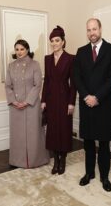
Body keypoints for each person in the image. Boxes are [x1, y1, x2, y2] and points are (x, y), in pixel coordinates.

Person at [73, 18, 111, 192]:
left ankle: (104, 177)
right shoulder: (81, 51)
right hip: (86, 104)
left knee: (104, 143)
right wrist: (86, 96)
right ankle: (89, 173)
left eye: (94, 29)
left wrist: (97, 97)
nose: (91, 33)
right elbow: (77, 76)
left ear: (100, 29)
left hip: (104, 103)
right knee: (88, 142)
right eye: (88, 30)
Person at [5, 39, 49, 168]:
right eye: (17, 49)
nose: (19, 52)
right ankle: (17, 161)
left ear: (27, 50)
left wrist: (27, 101)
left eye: (22, 49)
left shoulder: (35, 64)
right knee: (17, 134)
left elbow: (38, 85)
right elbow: (8, 86)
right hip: (15, 106)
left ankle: (37, 160)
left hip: (32, 105)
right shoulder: (11, 66)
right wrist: (13, 101)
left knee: (34, 133)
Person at [41, 25, 76, 175]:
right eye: (52, 41)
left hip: (64, 98)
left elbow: (73, 83)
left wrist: (71, 102)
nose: (54, 43)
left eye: (57, 40)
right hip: (50, 99)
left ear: (63, 41)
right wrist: (43, 100)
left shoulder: (71, 58)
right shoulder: (47, 59)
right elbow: (47, 81)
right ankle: (55, 161)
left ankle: (63, 160)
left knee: (64, 130)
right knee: (53, 131)